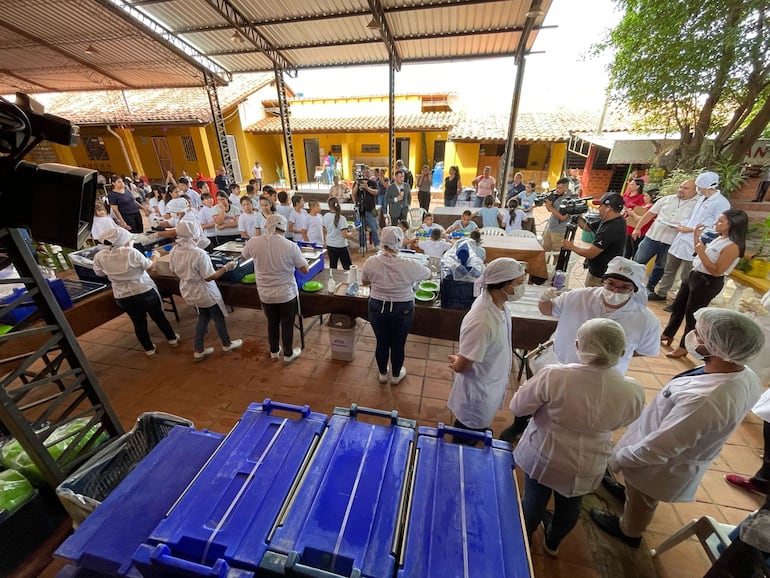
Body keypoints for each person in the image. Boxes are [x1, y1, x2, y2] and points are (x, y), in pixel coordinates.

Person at [591, 308, 766, 548]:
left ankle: (629, 532)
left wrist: (617, 461)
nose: (692, 335)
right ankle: (626, 492)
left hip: (659, 466)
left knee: (643, 499)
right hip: (659, 449)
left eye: (701, 335)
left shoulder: (707, 400)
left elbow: (659, 448)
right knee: (636, 490)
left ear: (719, 348)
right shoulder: (743, 373)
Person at [511, 318, 645, 555]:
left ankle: (521, 541)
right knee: (570, 506)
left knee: (533, 500)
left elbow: (518, 407)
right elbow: (626, 420)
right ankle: (552, 543)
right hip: (589, 461)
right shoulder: (633, 389)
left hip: (546, 453)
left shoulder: (555, 376)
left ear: (577, 345)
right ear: (623, 351)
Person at [447, 258, 527, 443]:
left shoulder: (497, 305)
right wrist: (458, 360)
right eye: (519, 283)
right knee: (466, 436)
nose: (523, 287)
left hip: (490, 380)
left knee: (479, 423)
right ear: (504, 285)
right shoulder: (482, 320)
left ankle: (479, 429)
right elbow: (462, 366)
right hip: (478, 394)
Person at [662, 209, 747, 358]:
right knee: (678, 306)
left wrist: (701, 251)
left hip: (707, 281)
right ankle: (668, 334)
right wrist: (696, 236)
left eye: (721, 221)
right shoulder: (719, 238)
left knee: (692, 315)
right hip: (695, 274)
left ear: (732, 225)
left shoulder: (733, 246)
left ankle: (684, 347)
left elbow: (716, 270)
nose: (716, 223)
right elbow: (700, 252)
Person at [93, 228, 179, 357]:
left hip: (122, 295)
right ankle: (172, 339)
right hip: (143, 289)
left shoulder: (100, 256)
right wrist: (155, 255)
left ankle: (149, 349)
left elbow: (98, 273)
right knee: (158, 316)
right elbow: (151, 267)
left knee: (138, 322)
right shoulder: (131, 252)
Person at [362, 227, 431, 384]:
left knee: (382, 341)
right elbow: (429, 274)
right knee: (398, 343)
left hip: (377, 306)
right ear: (399, 243)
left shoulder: (371, 262)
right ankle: (395, 376)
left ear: (382, 242)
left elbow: (365, 282)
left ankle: (382, 374)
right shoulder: (410, 264)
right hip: (403, 308)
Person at [653, 171, 731, 304]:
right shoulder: (701, 198)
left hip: (696, 241)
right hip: (682, 237)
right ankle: (661, 293)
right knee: (669, 269)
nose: (697, 188)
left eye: (699, 186)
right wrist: (682, 225)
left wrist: (691, 229)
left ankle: (679, 301)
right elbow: (693, 218)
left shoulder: (721, 203)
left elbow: (717, 227)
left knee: (687, 275)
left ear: (706, 185)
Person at [169, 221, 242, 361]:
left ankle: (198, 349)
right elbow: (209, 277)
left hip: (188, 289)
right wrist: (227, 267)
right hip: (204, 291)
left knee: (203, 316)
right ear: (195, 235)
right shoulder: (199, 254)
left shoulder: (174, 250)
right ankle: (226, 344)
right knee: (217, 316)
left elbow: (173, 271)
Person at [242, 214, 309, 364]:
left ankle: (274, 351)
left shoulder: (254, 242)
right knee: (286, 323)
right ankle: (288, 354)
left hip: (265, 293)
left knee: (272, 322)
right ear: (283, 228)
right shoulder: (290, 246)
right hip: (285, 294)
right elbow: (304, 269)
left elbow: (243, 256)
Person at [633, 179, 698, 299]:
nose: (681, 190)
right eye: (681, 186)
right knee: (638, 261)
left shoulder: (697, 205)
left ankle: (650, 288)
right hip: (652, 237)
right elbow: (650, 214)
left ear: (695, 191)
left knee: (660, 267)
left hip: (672, 242)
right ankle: (630, 283)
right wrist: (638, 228)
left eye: (685, 188)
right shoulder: (667, 199)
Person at [562, 192, 627, 286]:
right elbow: (588, 228)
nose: (599, 209)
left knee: (592, 298)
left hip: (602, 276)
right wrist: (576, 216)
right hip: (596, 270)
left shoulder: (613, 228)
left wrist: (571, 247)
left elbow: (590, 253)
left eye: (601, 206)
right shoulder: (608, 219)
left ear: (608, 208)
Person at [540, 178, 574, 252]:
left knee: (557, 255)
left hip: (559, 232)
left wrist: (550, 207)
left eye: (560, 188)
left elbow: (563, 217)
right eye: (556, 187)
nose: (557, 190)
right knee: (544, 252)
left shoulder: (571, 199)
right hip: (550, 228)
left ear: (566, 188)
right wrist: (548, 203)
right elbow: (550, 210)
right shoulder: (558, 195)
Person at [351, 166, 380, 249]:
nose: (366, 173)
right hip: (360, 210)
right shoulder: (357, 183)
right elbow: (353, 194)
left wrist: (367, 188)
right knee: (361, 229)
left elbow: (376, 192)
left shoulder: (372, 183)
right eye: (365, 172)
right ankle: (362, 245)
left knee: (374, 228)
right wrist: (357, 183)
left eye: (368, 172)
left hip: (371, 209)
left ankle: (377, 245)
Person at [623, 186, 655, 258]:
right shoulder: (644, 205)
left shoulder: (652, 208)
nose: (644, 197)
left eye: (646, 196)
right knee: (627, 252)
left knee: (635, 252)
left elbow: (641, 219)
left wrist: (633, 214)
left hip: (640, 232)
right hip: (630, 230)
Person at [323, 197, 354, 270]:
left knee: (333, 266)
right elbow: (344, 235)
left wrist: (326, 240)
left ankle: (333, 280)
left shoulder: (325, 216)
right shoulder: (342, 218)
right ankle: (349, 281)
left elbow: (324, 230)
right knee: (347, 267)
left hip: (330, 244)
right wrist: (352, 233)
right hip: (341, 245)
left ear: (329, 206)